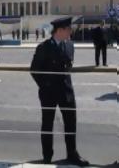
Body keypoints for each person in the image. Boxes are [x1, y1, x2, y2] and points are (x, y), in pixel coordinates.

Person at [30, 17, 89, 166]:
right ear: (60, 30)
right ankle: (47, 156)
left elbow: (68, 67)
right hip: (49, 93)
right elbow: (35, 70)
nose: (71, 31)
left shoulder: (70, 45)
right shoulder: (44, 47)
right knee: (47, 125)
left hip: (67, 92)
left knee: (71, 124)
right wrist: (46, 86)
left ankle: (72, 154)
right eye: (68, 29)